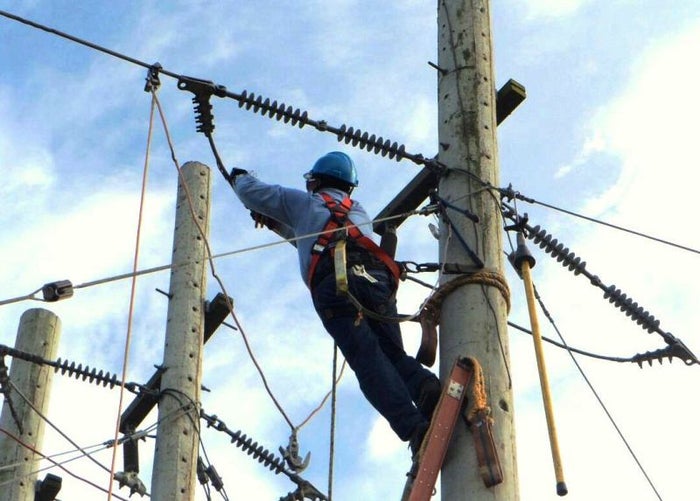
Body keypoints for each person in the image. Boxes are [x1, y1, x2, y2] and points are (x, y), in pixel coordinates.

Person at [228, 151, 440, 455]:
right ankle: (424, 386)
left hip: (337, 285)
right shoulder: (358, 211)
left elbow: (252, 193)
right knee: (391, 353)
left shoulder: (304, 203)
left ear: (315, 182)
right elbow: (313, 236)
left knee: (367, 360)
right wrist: (275, 223)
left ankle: (413, 427)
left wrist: (239, 176)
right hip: (376, 279)